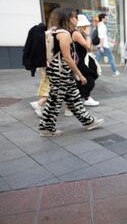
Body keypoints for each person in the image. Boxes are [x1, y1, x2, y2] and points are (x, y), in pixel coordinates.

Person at [39, 8, 104, 137]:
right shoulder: (64, 34)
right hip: (60, 72)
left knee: (74, 98)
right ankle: (46, 128)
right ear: (67, 18)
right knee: (55, 101)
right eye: (75, 17)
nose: (77, 19)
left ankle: (89, 122)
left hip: (56, 70)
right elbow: (67, 58)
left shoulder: (53, 32)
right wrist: (80, 75)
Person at [72, 14, 100, 106]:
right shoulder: (76, 33)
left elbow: (89, 47)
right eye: (86, 26)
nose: (88, 27)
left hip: (83, 59)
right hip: (79, 61)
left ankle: (86, 97)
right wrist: (88, 35)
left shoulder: (80, 34)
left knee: (89, 77)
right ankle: (83, 98)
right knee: (88, 79)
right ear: (82, 26)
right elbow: (87, 45)